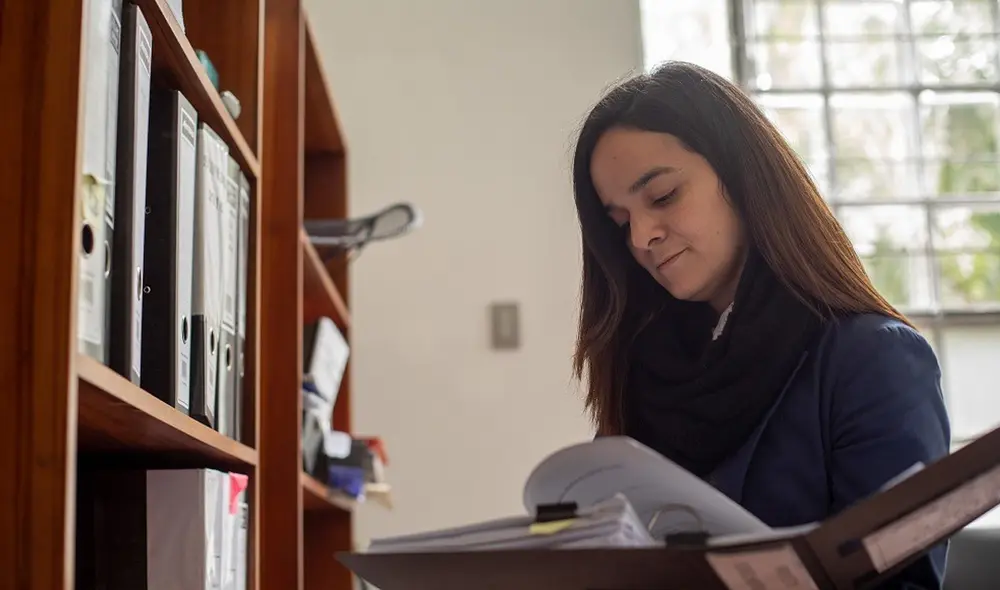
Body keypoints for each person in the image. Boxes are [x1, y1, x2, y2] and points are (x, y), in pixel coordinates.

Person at [570, 62, 951, 589]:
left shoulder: (871, 360)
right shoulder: (644, 370)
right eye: (620, 222)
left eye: (662, 197)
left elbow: (899, 581)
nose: (640, 237)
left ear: (742, 176)